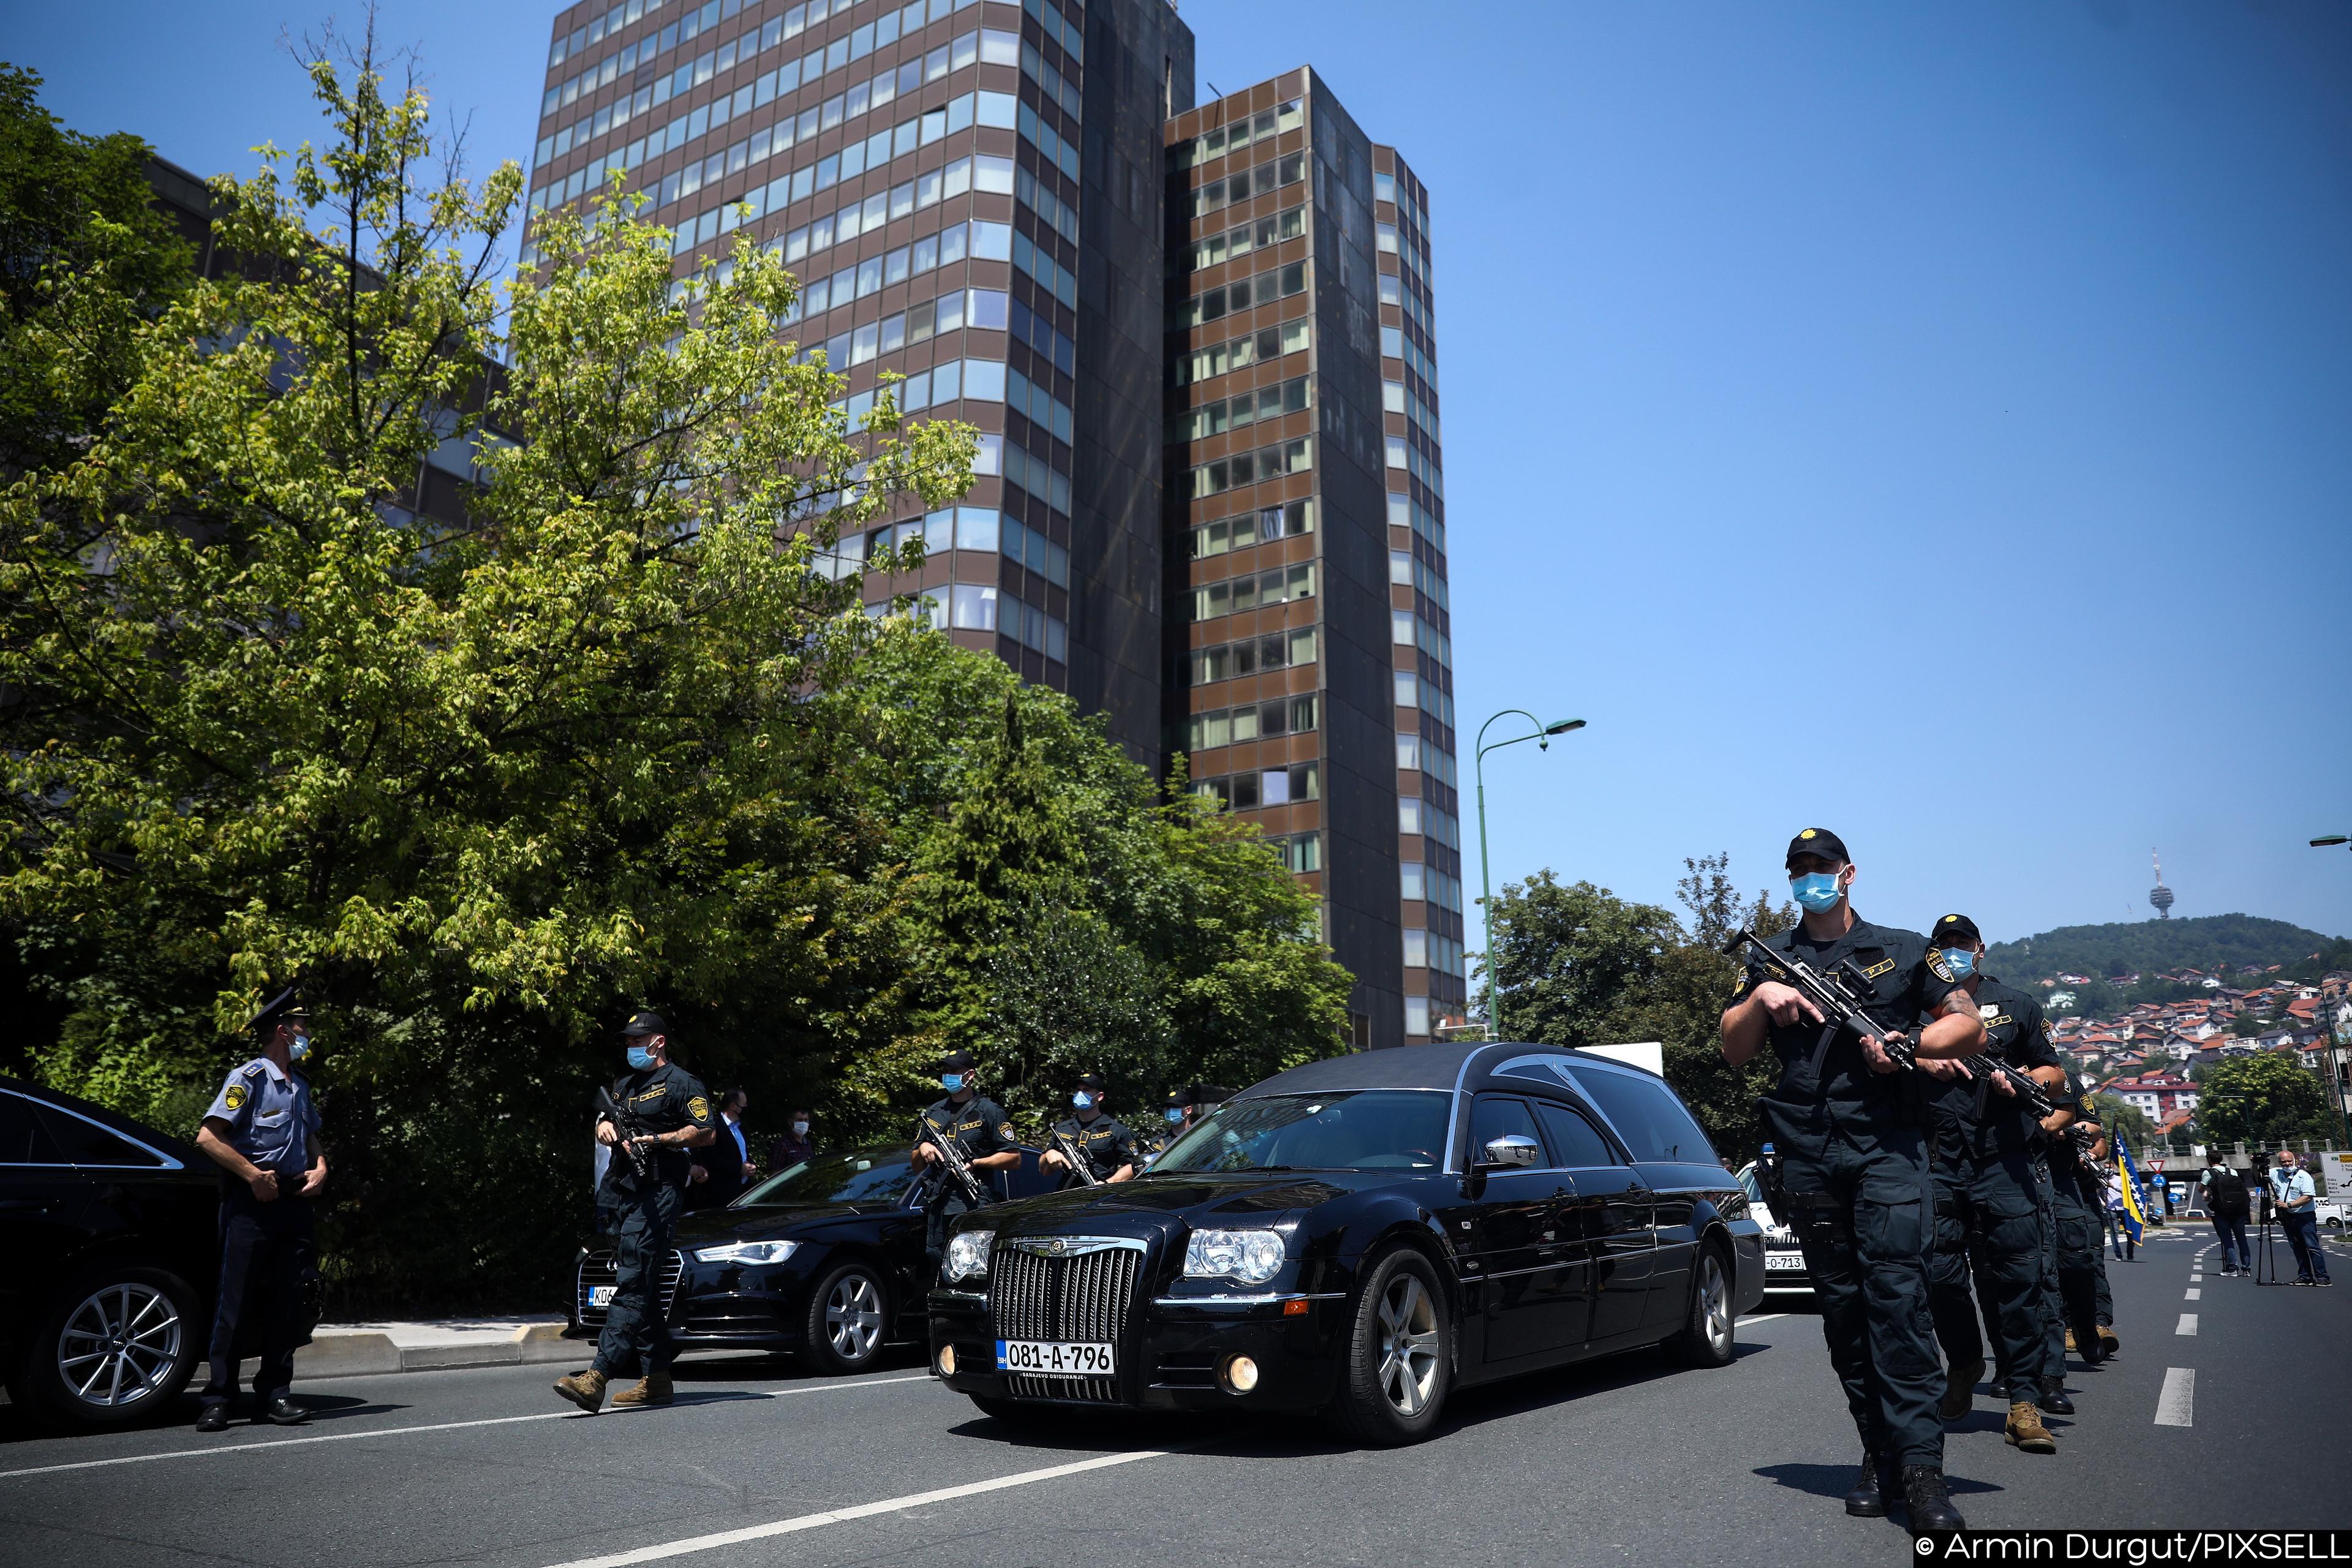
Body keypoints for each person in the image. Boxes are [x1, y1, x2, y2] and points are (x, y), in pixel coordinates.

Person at [1719, 829, 1985, 1532]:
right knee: (1844, 1314)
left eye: (1822, 867)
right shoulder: (1770, 958)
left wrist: (1908, 1047)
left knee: (1897, 1302)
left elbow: (1967, 1025)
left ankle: (1923, 1470)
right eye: (1799, 869)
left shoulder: (1901, 949)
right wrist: (1762, 996)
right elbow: (1733, 1047)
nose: (1811, 877)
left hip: (1887, 1148)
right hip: (1809, 1155)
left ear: (1849, 874)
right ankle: (1879, 1451)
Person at [1909, 914, 2060, 1453]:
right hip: (1939, 1156)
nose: (1953, 950)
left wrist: (2018, 1083)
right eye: (1943, 944)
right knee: (1939, 1278)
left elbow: (2053, 1073)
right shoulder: (1915, 1010)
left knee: (2016, 1282)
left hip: (2004, 1158)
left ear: (1980, 950)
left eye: (1962, 943)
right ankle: (1967, 1361)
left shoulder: (2018, 1005)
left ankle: (2023, 1401)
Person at [554, 1012, 717, 1414]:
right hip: (620, 1190)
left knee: (632, 1279)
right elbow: (607, 1121)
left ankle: (597, 1377)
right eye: (627, 1041)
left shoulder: (683, 1084)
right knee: (636, 1280)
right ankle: (657, 1378)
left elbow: (707, 1130)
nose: (630, 1047)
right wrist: (604, 1129)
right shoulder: (624, 1084)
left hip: (657, 1191)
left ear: (658, 1042)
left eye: (636, 1040)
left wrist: (659, 1139)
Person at [190, 987, 326, 1432]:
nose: (308, 1034)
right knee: (236, 1301)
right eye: (303, 1028)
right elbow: (209, 1137)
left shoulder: (300, 1085)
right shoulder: (247, 1078)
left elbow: (309, 1137)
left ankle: (275, 1394)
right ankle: (219, 1398)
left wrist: (321, 1166)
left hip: (294, 1202)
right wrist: (252, 1175)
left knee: (288, 1301)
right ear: (283, 1032)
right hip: (252, 1203)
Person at [910, 1051, 1022, 1262]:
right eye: (945, 1072)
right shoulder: (934, 1112)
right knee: (935, 1261)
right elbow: (915, 1164)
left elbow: (1014, 1158)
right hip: (938, 1204)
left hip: (972, 1203)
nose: (948, 1076)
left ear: (970, 1075)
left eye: (954, 1072)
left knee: (972, 1263)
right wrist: (923, 1147)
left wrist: (976, 1163)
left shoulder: (989, 1111)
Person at [1040, 1074, 1139, 1185]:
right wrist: (1049, 1154)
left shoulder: (1116, 1131)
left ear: (1100, 1096)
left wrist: (1108, 1183)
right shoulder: (1063, 1128)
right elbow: (1044, 1171)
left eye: (1086, 1090)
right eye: (1078, 1090)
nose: (1080, 1094)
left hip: (1101, 1195)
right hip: (1068, 1195)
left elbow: (1134, 1165)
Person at [2269, 1149, 2334, 1286]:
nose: (2287, 1164)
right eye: (2284, 1162)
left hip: (2304, 1216)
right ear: (2279, 1162)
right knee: (2297, 1246)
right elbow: (2260, 1176)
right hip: (2288, 1217)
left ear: (2295, 1161)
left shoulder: (2303, 1176)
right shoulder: (2276, 1173)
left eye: (2289, 1161)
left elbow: (2308, 1197)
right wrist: (2255, 1163)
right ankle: (2305, 1276)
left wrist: (2289, 1205)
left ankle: (2322, 1277)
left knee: (2312, 1246)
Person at [689, 1088, 756, 1209]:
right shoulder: (715, 1126)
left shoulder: (740, 1127)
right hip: (722, 1194)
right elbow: (711, 1159)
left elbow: (743, 1153)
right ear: (733, 1106)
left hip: (743, 1192)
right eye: (744, 1104)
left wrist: (751, 1165)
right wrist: (738, 1168)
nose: (746, 1107)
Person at [2200, 1155, 2252, 1276]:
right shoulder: (2232, 1171)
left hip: (2222, 1211)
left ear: (2209, 1160)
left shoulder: (2208, 1173)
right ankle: (2247, 1268)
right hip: (2238, 1210)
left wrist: (2207, 1191)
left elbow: (2201, 1191)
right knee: (2242, 1239)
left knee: (2227, 1239)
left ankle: (2232, 1268)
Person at [767, 1109, 816, 1173]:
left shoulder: (807, 1144)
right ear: (790, 1122)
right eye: (800, 1120)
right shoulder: (782, 1145)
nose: (804, 1123)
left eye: (806, 1120)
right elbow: (774, 1175)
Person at [2102, 1169, 2135, 1261]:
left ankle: (2130, 1254)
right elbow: (2099, 1193)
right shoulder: (2102, 1180)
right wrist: (2103, 1202)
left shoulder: (2121, 1179)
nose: (2108, 1170)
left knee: (2129, 1232)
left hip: (2124, 1208)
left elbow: (2127, 1191)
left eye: (2110, 1167)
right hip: (2111, 1209)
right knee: (2114, 1233)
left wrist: (2113, 1186)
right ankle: (2118, 1255)